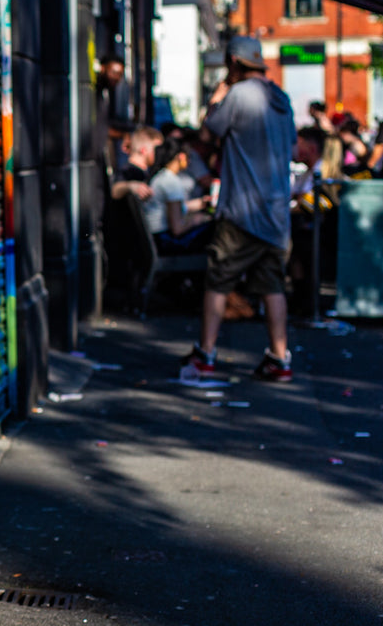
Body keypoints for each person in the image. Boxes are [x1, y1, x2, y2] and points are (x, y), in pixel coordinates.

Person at [180, 36, 297, 383]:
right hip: (276, 213)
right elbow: (290, 143)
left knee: (218, 280)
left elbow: (208, 130)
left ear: (233, 62)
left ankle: (206, 354)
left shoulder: (239, 95)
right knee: (272, 285)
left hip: (242, 209)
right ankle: (279, 357)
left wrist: (216, 100)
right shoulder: (281, 98)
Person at [146, 132, 213, 253]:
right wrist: (200, 219)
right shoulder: (172, 182)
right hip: (166, 243)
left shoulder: (160, 177)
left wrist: (201, 203)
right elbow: (177, 229)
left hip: (156, 239)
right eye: (189, 156)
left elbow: (173, 208)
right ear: (181, 157)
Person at [111, 126, 164, 202]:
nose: (160, 153)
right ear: (144, 150)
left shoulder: (147, 171)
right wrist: (130, 186)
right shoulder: (128, 170)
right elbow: (115, 190)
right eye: (157, 149)